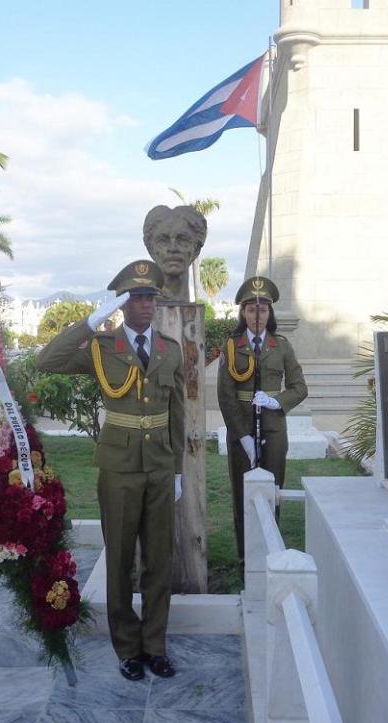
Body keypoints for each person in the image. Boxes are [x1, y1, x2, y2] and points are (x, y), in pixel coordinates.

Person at [36, 260, 185, 681]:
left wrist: (176, 470)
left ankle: (155, 644)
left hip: (158, 467)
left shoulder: (168, 350)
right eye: (136, 298)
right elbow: (49, 360)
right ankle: (127, 647)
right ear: (122, 304)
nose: (145, 306)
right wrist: (89, 322)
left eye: (150, 297)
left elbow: (177, 411)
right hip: (118, 467)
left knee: (159, 559)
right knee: (119, 558)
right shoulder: (103, 347)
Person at [217, 276, 308, 565]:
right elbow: (226, 395)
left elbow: (299, 387)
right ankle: (247, 557)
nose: (258, 316)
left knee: (273, 489)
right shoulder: (232, 346)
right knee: (242, 492)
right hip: (241, 429)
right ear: (243, 312)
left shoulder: (281, 346)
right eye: (252, 310)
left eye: (263, 310)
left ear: (270, 314)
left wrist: (276, 401)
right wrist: (243, 436)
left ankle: (270, 552)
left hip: (273, 428)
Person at [142, 204, 207, 302]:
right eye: (163, 241)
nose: (172, 248)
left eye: (183, 240)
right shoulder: (143, 309)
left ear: (196, 249)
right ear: (151, 249)